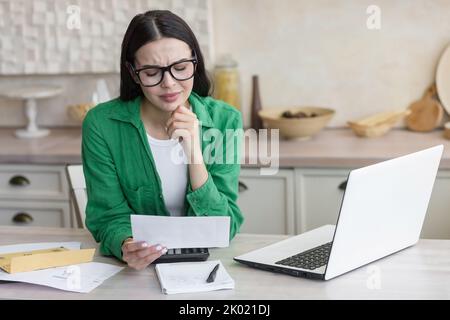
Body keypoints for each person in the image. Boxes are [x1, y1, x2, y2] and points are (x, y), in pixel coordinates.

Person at [81, 10, 244, 270]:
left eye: (180, 68)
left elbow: (224, 225)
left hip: (209, 266)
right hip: (136, 271)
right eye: (151, 72)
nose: (169, 83)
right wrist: (126, 244)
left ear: (195, 64)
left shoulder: (225, 121)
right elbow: (107, 216)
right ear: (133, 73)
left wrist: (194, 153)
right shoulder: (101, 125)